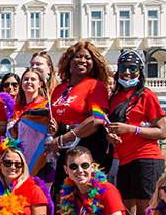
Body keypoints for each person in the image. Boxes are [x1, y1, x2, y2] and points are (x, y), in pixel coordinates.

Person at [45, 41, 114, 197]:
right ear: (69, 60)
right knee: (62, 197)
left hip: (88, 144)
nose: (83, 61)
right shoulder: (59, 89)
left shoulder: (96, 86)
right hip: (63, 147)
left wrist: (65, 139)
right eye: (78, 57)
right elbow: (55, 116)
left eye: (87, 58)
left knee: (86, 196)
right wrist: (53, 128)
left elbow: (97, 120)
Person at [106, 50, 166, 215]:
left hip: (146, 158)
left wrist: (132, 129)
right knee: (126, 213)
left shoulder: (147, 96)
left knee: (145, 213)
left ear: (140, 71)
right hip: (124, 160)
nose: (127, 72)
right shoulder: (115, 97)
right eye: (123, 67)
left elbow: (162, 132)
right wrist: (110, 137)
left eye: (132, 68)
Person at [12, 68, 53, 178]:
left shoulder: (46, 106)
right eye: (25, 79)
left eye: (33, 79)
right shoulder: (17, 108)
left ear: (40, 84)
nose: (29, 82)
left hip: (42, 160)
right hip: (21, 159)